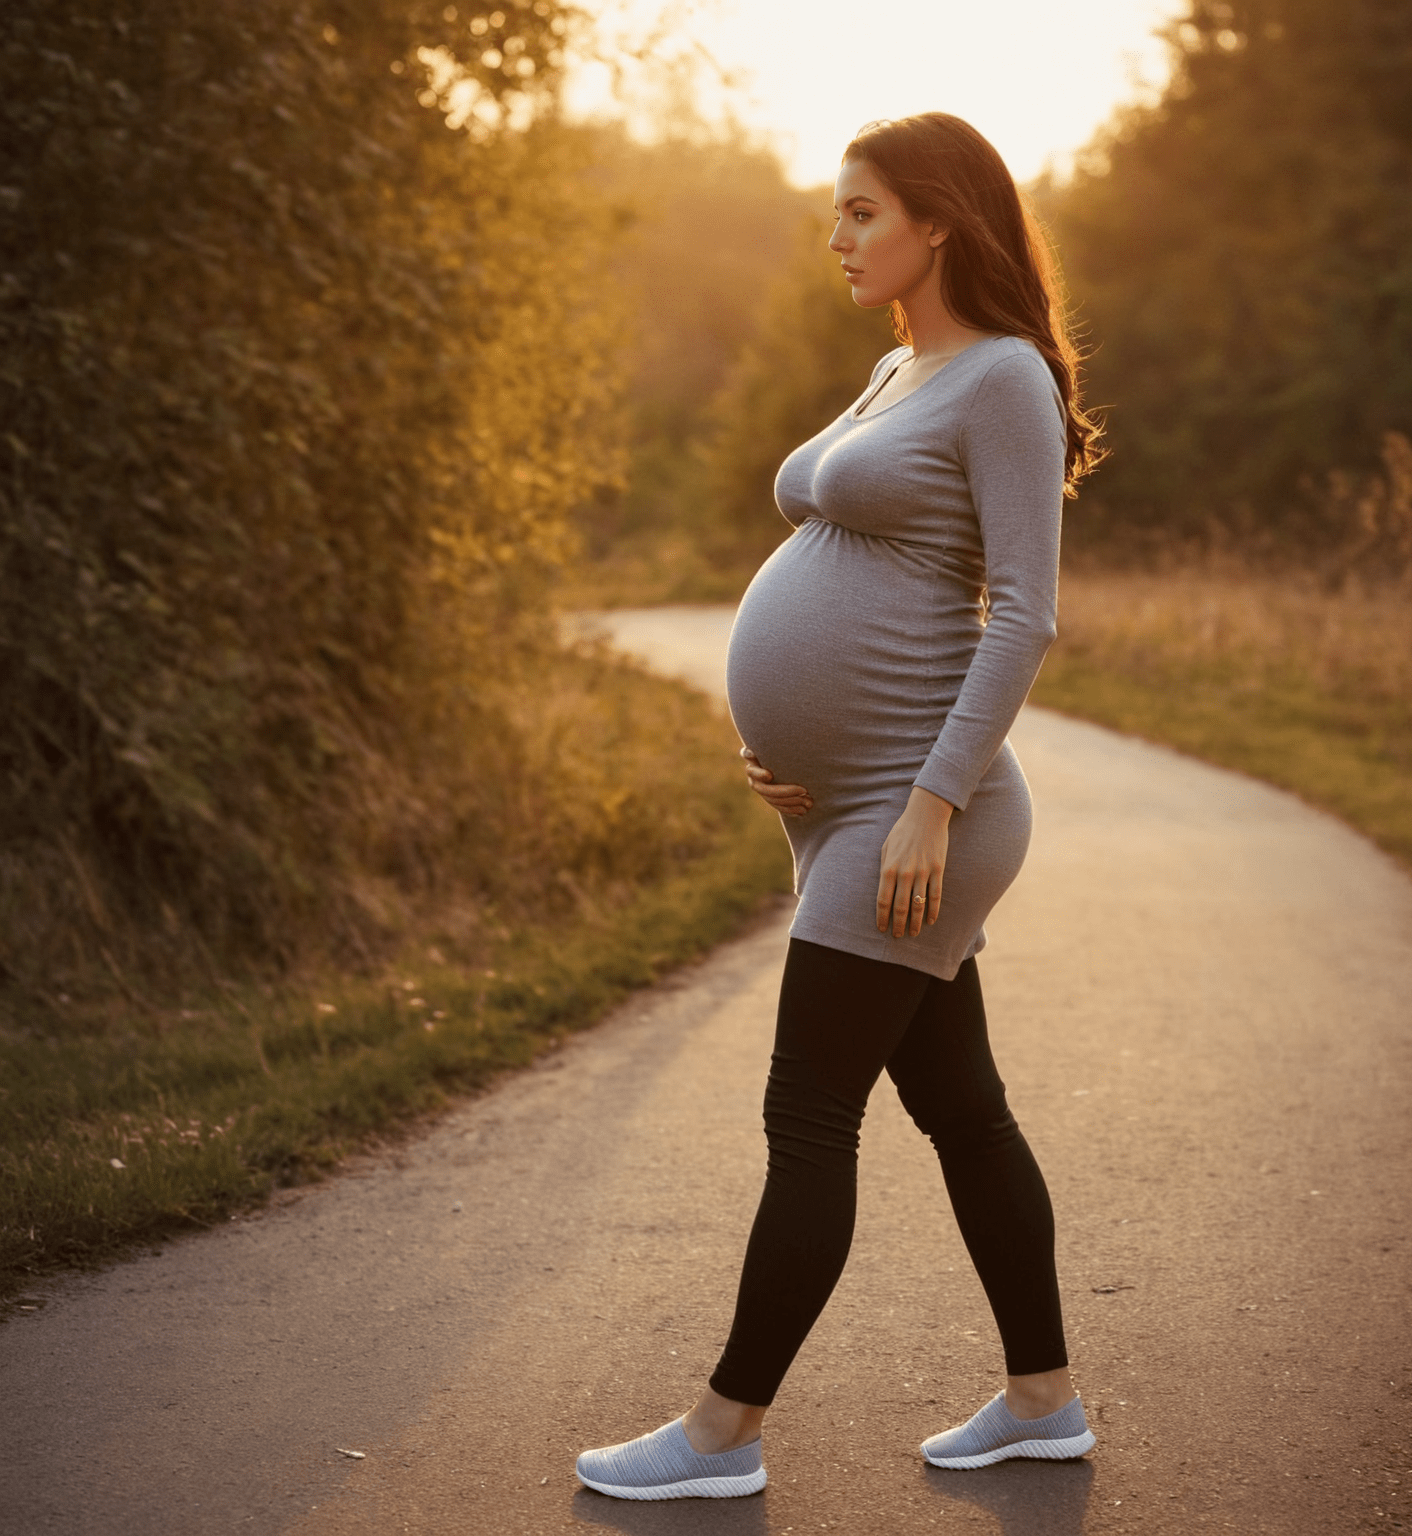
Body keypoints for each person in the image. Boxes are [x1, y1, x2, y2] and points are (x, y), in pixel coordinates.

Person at [575, 111, 1105, 1502]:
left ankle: (718, 1439)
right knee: (965, 1110)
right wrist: (783, 740)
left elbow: (1024, 617)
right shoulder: (896, 370)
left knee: (809, 1116)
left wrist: (930, 801)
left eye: (862, 211)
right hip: (846, 807)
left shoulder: (1000, 381)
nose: (837, 237)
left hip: (916, 818)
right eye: (836, 212)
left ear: (940, 220)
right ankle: (1043, 1400)